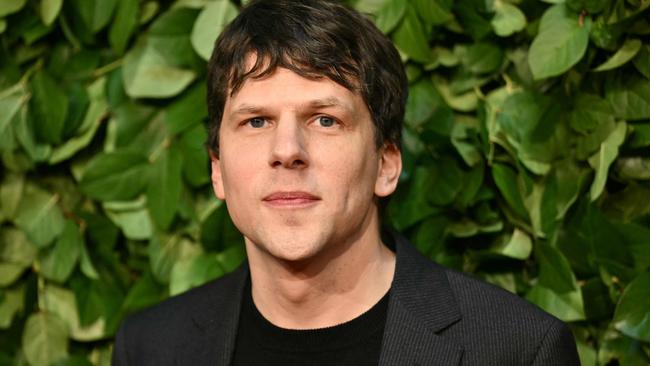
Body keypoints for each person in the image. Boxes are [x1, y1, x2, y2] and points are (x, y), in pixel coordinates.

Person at [112, 0, 580, 365]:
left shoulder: (517, 350)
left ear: (386, 164)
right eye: (256, 122)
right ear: (217, 169)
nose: (287, 150)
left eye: (324, 120)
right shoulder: (150, 347)